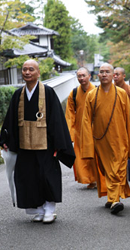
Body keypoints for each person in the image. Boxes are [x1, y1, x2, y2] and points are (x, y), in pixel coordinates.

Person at [0, 59, 75, 224]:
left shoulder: (47, 92)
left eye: (31, 69)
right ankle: (38, 209)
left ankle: (49, 209)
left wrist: (58, 145)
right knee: (29, 177)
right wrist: (5, 139)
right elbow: (11, 120)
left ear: (38, 73)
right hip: (24, 145)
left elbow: (56, 119)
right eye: (25, 69)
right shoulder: (18, 94)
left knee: (46, 176)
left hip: (45, 145)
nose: (27, 72)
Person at [81, 63, 130, 214]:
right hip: (100, 140)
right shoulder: (92, 95)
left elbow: (128, 118)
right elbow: (86, 121)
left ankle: (115, 199)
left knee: (117, 169)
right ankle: (112, 198)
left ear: (113, 75)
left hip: (120, 138)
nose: (104, 74)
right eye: (101, 72)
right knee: (107, 169)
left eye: (107, 72)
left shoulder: (121, 93)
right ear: (97, 75)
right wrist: (88, 144)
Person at [65, 67, 97, 189]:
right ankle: (89, 179)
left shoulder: (96, 91)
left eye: (83, 75)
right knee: (80, 157)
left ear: (89, 76)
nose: (81, 78)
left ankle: (97, 178)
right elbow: (70, 115)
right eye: (79, 76)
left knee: (94, 156)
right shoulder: (73, 93)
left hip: (94, 129)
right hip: (79, 130)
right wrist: (70, 133)